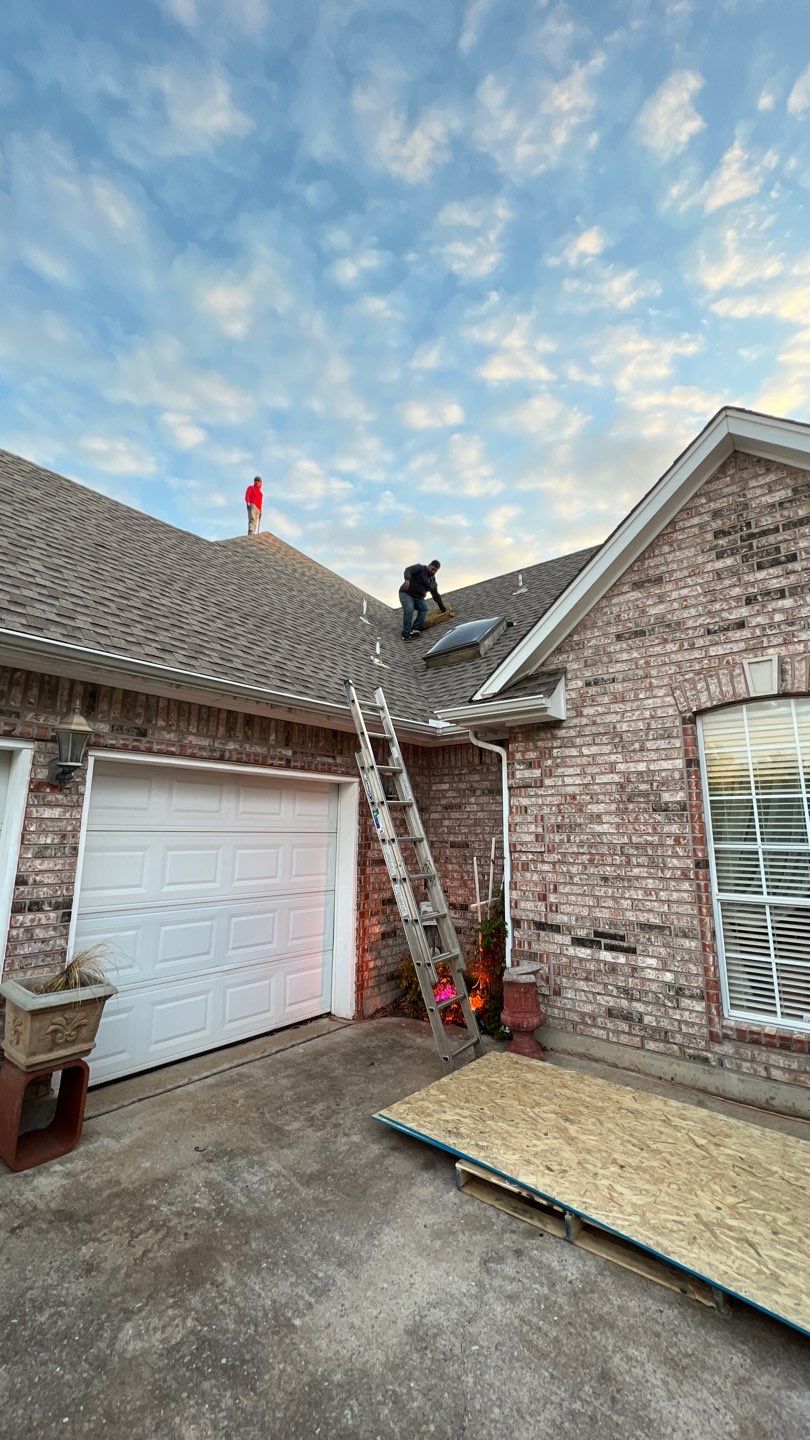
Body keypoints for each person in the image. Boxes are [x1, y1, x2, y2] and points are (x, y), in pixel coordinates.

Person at [399, 559, 446, 640]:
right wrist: (407, 580)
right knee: (409, 609)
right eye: (432, 569)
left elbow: (436, 595)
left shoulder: (432, 582)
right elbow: (408, 570)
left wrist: (442, 607)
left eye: (435, 571)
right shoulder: (420, 568)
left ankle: (415, 629)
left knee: (424, 608)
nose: (433, 571)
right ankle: (405, 634)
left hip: (418, 598)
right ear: (429, 565)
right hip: (406, 593)